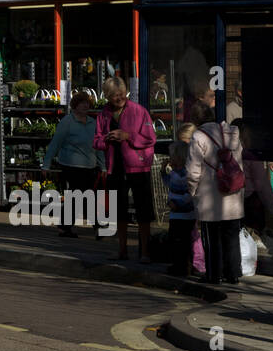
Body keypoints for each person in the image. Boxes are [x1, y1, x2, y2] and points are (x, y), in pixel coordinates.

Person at [94, 76, 157, 262]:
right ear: (107, 96)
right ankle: (122, 250)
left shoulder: (139, 111)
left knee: (143, 211)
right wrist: (106, 140)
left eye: (121, 94)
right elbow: (96, 140)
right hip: (115, 168)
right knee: (119, 210)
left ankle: (144, 252)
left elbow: (150, 138)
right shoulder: (103, 114)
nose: (119, 98)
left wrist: (128, 136)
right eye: (114, 95)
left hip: (138, 167)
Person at [187, 105, 244, 284]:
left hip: (209, 197)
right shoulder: (232, 133)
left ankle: (214, 274)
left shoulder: (198, 137)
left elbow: (192, 171)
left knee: (211, 239)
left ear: (195, 120)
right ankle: (233, 274)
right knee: (232, 237)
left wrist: (193, 191)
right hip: (233, 196)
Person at [42, 90, 103, 237]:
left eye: (87, 103)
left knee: (81, 196)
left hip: (90, 165)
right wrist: (46, 164)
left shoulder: (93, 123)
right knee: (81, 195)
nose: (85, 106)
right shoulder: (67, 122)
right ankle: (97, 225)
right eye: (81, 103)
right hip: (71, 165)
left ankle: (64, 226)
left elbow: (99, 146)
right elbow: (55, 144)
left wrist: (104, 165)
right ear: (75, 105)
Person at [162, 126, 196, 277]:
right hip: (176, 214)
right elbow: (169, 183)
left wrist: (178, 204)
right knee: (176, 241)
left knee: (181, 241)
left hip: (183, 213)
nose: (170, 159)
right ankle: (178, 265)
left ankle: (183, 266)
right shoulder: (175, 173)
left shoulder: (185, 173)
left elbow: (189, 193)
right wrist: (163, 172)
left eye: (172, 156)